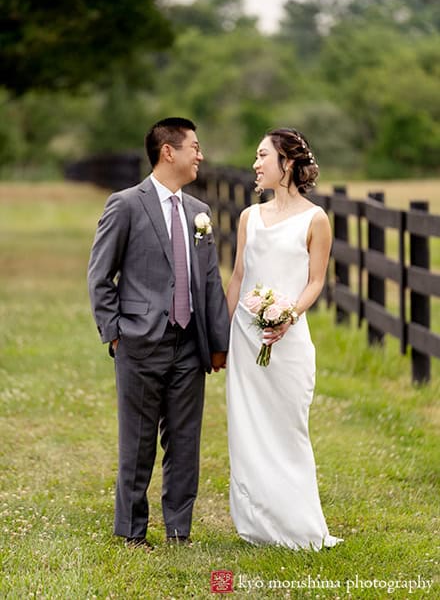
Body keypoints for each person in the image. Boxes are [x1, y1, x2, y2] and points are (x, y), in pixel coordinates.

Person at [88, 117, 229, 549]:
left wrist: (219, 344)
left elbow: (209, 282)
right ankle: (132, 531)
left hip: (190, 345)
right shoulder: (126, 204)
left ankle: (179, 531)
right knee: (138, 443)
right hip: (140, 342)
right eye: (195, 147)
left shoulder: (199, 213)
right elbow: (99, 275)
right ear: (169, 151)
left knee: (185, 443)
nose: (200, 155)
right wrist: (115, 333)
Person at [226, 127, 342, 550]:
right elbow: (238, 277)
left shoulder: (317, 220)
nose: (255, 165)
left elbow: (315, 281)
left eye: (262, 156)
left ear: (286, 163)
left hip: (288, 341)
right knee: (248, 429)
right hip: (244, 341)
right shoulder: (247, 217)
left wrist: (289, 315)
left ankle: (300, 527)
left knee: (288, 428)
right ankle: (257, 525)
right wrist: (223, 336)